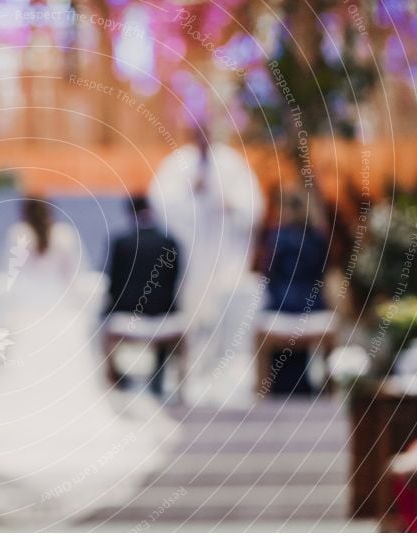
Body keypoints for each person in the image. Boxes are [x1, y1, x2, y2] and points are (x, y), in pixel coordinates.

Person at [0, 197, 178, 527]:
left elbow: (8, 280)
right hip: (58, 315)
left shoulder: (17, 234)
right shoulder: (63, 235)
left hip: (26, 315)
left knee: (20, 383)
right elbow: (74, 279)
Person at [148, 127, 265, 407]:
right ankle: (190, 378)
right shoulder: (179, 164)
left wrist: (230, 204)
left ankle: (227, 380)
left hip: (225, 259)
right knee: (193, 319)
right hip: (192, 261)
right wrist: (193, 193)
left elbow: (253, 207)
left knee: (228, 321)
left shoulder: (231, 162)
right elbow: (163, 204)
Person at [105, 196, 180, 394]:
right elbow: (174, 283)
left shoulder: (122, 243)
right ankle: (160, 379)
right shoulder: (169, 241)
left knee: (102, 331)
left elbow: (113, 284)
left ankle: (117, 384)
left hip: (128, 316)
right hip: (162, 317)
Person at [261, 191, 329, 395]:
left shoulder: (277, 236)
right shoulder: (318, 238)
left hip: (283, 305)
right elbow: (321, 273)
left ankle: (274, 388)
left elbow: (269, 273)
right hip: (312, 306)